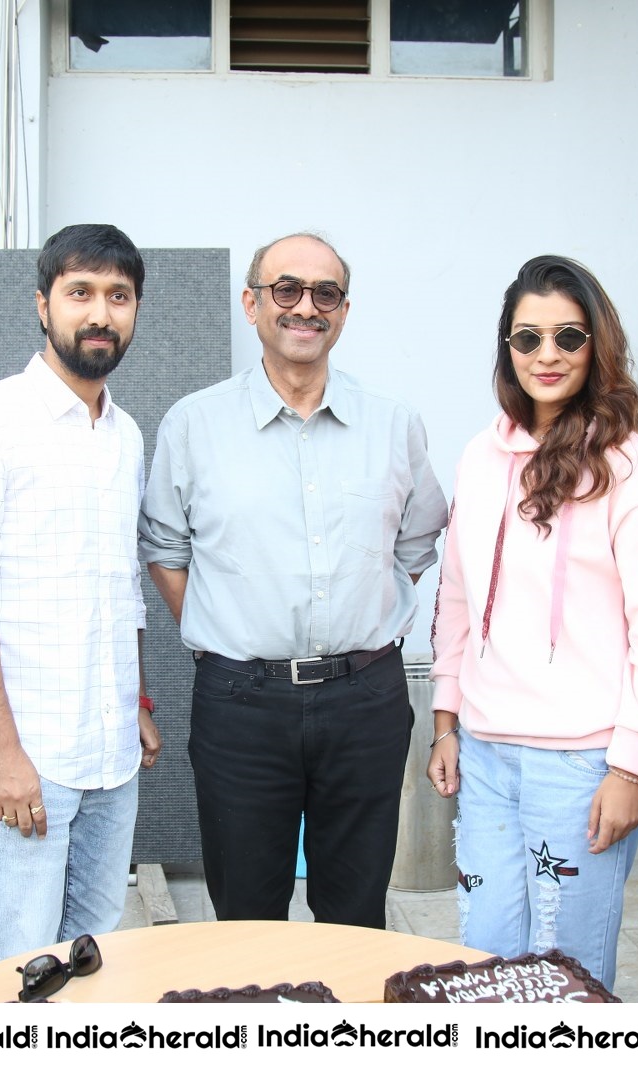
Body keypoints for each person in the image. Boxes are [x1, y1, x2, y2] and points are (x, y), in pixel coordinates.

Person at [139, 231, 448, 929]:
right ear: (252, 304)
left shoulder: (393, 423)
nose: (306, 306)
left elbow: (419, 534)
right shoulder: (194, 424)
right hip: (241, 704)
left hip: (366, 698)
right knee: (247, 914)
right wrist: (227, 624)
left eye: (326, 292)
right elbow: (163, 546)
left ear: (343, 310)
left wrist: (364, 597)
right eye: (287, 289)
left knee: (356, 913)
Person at [427, 256, 638, 991]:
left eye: (568, 337)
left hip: (580, 767)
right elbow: (454, 595)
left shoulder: (628, 468)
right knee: (485, 958)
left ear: (595, 345)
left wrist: (632, 765)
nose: (547, 355)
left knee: (564, 974)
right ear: (506, 348)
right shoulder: (481, 456)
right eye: (528, 338)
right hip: (484, 754)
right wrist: (445, 721)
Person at [0, 223, 159, 967]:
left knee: (93, 943)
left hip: (111, 748)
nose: (100, 313)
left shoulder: (124, 434)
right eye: (80, 292)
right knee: (21, 956)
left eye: (118, 296)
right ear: (42, 304)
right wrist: (0, 750)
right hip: (30, 748)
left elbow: (119, 583)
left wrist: (139, 702)